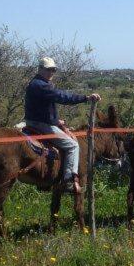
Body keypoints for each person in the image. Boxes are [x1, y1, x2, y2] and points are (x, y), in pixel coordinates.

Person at [24, 57, 101, 194]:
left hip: (37, 121)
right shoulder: (41, 85)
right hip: (42, 124)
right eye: (48, 69)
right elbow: (62, 96)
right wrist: (86, 98)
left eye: (53, 69)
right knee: (72, 145)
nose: (51, 72)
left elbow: (42, 108)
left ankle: (49, 178)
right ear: (40, 69)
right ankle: (68, 181)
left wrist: (56, 121)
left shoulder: (37, 84)